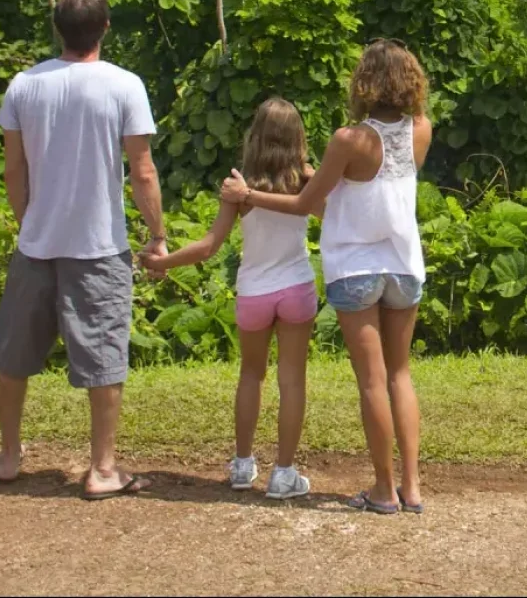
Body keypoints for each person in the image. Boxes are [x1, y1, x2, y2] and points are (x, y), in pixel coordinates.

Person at [222, 40, 432, 515]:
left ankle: (382, 490)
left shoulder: (349, 139)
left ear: (364, 83)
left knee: (372, 383)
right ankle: (412, 487)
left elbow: (303, 203)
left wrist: (248, 193)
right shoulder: (422, 129)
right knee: (400, 376)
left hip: (356, 268)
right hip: (404, 264)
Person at [0, 0, 166, 500]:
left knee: (15, 352)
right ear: (105, 28)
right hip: (99, 244)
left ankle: (10, 455)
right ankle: (103, 467)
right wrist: (156, 234)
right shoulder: (124, 85)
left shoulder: (24, 85)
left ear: (57, 28)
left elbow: (13, 169)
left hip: (37, 243)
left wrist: (29, 222)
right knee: (105, 356)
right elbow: (142, 170)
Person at [141, 98, 318, 500]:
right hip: (297, 288)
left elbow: (209, 246)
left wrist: (166, 260)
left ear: (254, 136)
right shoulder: (307, 181)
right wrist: (312, 173)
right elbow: (330, 212)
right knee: (292, 382)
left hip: (253, 292)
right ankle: (284, 473)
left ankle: (242, 465)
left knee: (250, 375)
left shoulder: (237, 187)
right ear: (298, 138)